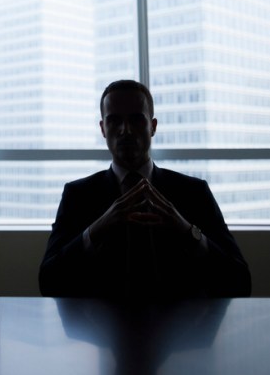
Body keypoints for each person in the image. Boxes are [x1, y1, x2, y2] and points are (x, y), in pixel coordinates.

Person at [39, 79, 251, 299]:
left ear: (153, 126)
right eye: (114, 121)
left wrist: (187, 231)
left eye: (136, 119)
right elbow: (48, 283)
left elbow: (241, 283)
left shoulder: (193, 192)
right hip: (99, 331)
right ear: (102, 129)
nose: (125, 130)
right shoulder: (78, 196)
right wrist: (97, 229)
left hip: (182, 331)